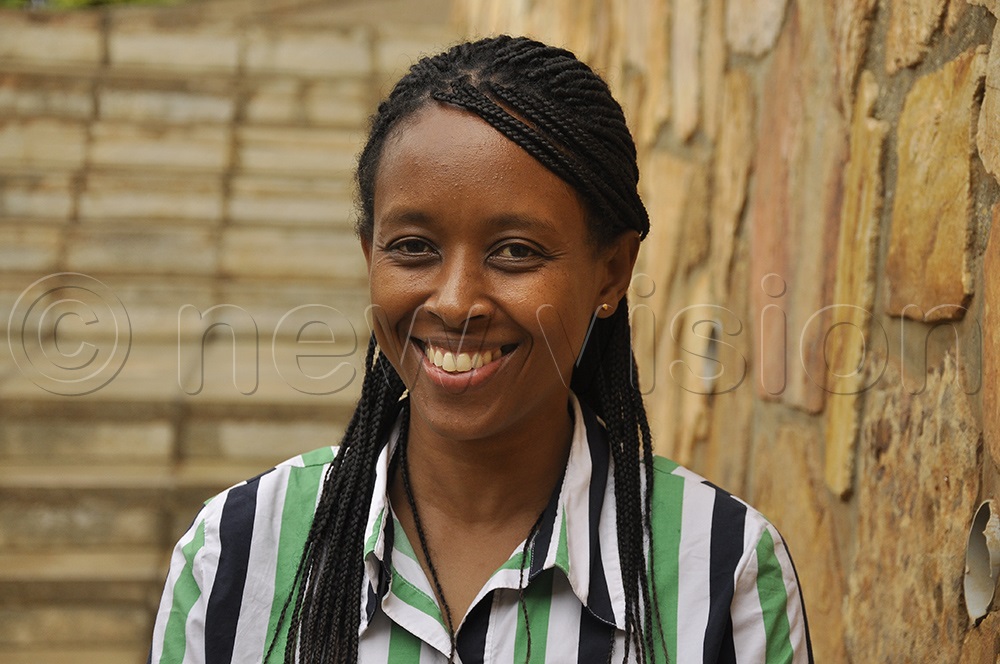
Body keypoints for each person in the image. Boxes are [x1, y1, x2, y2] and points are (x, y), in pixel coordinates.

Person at [149, 35, 812, 664]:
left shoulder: (723, 570)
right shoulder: (238, 554)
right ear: (368, 256)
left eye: (516, 251)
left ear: (611, 271)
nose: (456, 301)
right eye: (413, 247)